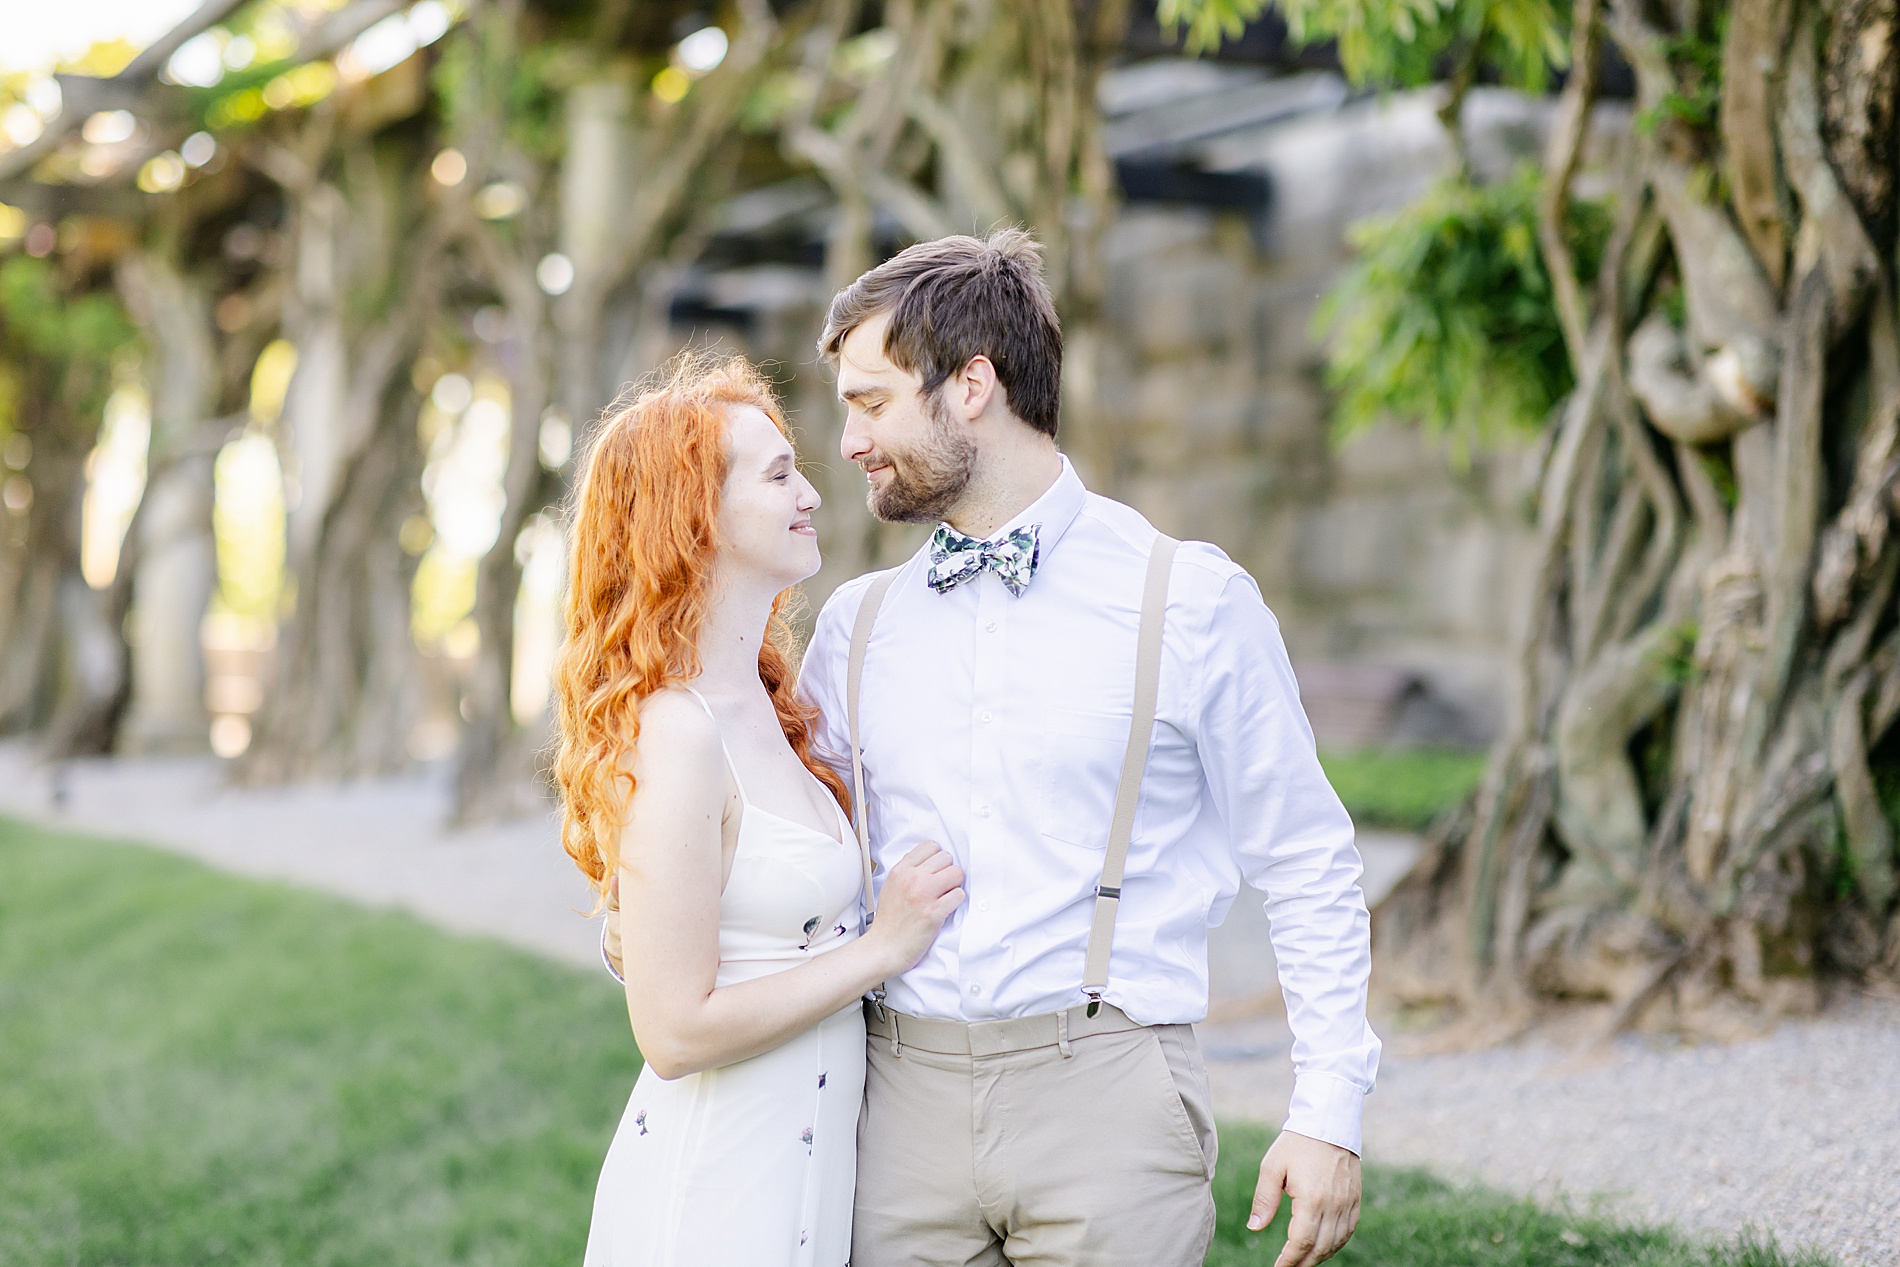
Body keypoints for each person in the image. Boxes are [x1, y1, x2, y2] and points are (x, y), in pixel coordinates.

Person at [795, 229, 1381, 1267]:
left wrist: (1327, 1106)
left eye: (870, 401)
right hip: (894, 1105)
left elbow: (1302, 854)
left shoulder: (1189, 600)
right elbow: (802, 859)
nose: (846, 441)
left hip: (1109, 1099)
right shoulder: (855, 623)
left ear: (970, 384)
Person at [554, 354, 965, 1267]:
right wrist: (881, 949)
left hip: (802, 1192)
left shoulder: (779, 707)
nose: (812, 491)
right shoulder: (678, 732)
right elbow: (671, 1031)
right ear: (693, 515)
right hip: (712, 1200)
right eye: (778, 474)